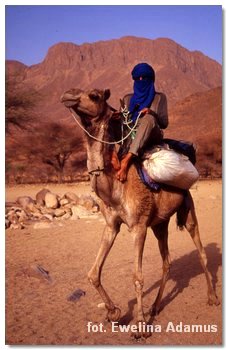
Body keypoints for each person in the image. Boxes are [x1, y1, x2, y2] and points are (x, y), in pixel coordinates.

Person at [116, 62, 168, 182]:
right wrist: (118, 117)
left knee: (148, 119)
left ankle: (127, 159)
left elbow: (164, 123)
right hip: (131, 135)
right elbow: (123, 125)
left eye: (144, 78)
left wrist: (151, 112)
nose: (141, 80)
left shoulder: (159, 97)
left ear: (151, 79)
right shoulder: (127, 99)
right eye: (138, 78)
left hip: (151, 135)